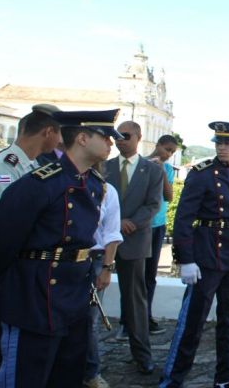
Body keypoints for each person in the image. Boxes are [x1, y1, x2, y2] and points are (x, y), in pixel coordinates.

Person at [0, 109, 122, 387]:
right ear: (82, 138)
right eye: (105, 137)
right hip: (35, 298)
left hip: (74, 297)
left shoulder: (94, 186)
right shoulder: (39, 184)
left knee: (66, 377)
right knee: (25, 378)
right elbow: (4, 242)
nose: (111, 143)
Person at [160, 122, 229, 388]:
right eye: (218, 142)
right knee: (191, 323)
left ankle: (225, 378)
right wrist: (186, 259)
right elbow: (183, 218)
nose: (222, 147)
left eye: (228, 142)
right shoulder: (202, 174)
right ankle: (173, 379)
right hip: (205, 255)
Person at [106, 120, 163, 375]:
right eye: (117, 135)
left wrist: (130, 223)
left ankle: (142, 355)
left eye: (126, 135)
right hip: (103, 240)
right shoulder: (103, 167)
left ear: (139, 137)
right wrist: (114, 223)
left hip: (134, 239)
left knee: (135, 300)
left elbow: (153, 205)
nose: (120, 139)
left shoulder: (152, 171)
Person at [83, 164, 123, 388]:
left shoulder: (107, 190)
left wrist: (107, 268)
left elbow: (111, 233)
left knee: (89, 320)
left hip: (95, 260)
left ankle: (91, 372)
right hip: (65, 262)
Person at [145, 135, 178, 335]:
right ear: (157, 145)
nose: (168, 154)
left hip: (158, 226)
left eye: (172, 152)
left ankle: (146, 316)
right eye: (167, 149)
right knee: (134, 275)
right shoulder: (141, 164)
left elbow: (169, 195)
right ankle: (127, 321)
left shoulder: (167, 169)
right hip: (140, 227)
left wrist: (162, 172)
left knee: (150, 274)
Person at [0, 105, 61, 198]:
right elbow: (4, 205)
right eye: (60, 134)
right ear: (49, 132)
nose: (60, 141)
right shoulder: (4, 167)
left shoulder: (35, 164)